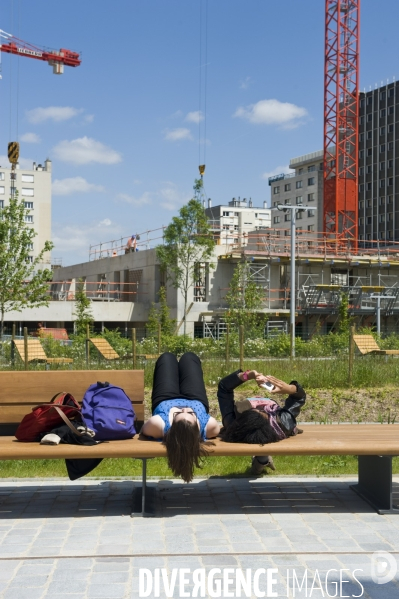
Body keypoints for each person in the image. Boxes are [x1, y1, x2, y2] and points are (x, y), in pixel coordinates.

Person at [141, 352, 220, 483]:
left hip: (166, 397)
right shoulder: (210, 426)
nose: (184, 408)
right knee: (189, 357)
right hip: (195, 397)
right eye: (190, 413)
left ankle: (168, 358)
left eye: (177, 415)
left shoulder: (158, 424)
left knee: (166, 357)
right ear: (196, 427)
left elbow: (144, 430)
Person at [218, 369, 306, 475]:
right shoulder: (283, 422)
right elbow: (299, 398)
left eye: (252, 409)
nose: (259, 405)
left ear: (243, 419)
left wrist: (247, 376)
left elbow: (224, 388)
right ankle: (261, 462)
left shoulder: (232, 421)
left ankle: (261, 462)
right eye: (262, 411)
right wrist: (289, 389)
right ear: (268, 422)